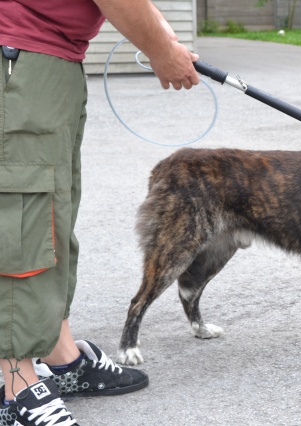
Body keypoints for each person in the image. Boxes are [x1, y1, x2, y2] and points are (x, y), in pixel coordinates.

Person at [0, 0, 200, 424]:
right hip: (20, 54)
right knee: (21, 220)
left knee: (50, 215)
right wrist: (161, 51)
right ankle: (14, 386)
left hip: (51, 58)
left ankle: (59, 356)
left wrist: (159, 30)